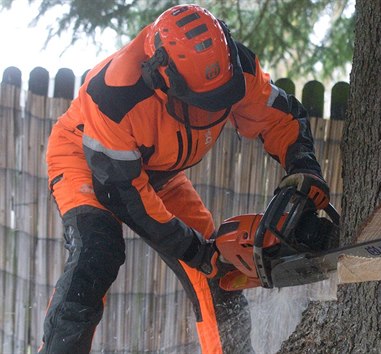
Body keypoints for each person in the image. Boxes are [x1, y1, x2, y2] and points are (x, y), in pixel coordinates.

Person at [39, 3, 330, 353]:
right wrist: (195, 249)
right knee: (97, 251)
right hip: (87, 157)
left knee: (218, 273)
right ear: (163, 78)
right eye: (202, 102)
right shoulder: (115, 95)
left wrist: (303, 168)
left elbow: (280, 119)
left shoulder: (236, 67)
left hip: (159, 172)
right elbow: (125, 196)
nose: (212, 109)